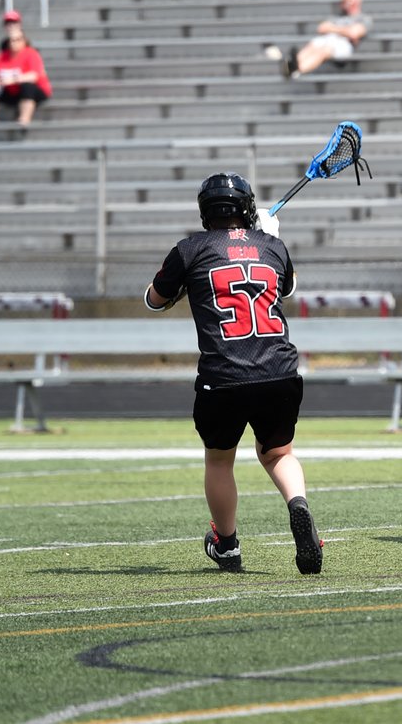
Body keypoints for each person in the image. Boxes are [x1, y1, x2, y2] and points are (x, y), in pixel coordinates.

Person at [144, 173, 323, 575]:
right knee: (278, 453)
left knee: (220, 461)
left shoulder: (190, 249)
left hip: (223, 374)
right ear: (247, 208)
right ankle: (298, 505)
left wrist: (188, 284)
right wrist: (269, 236)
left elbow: (155, 299)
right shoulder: (272, 246)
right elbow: (288, 288)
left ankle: (226, 545)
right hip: (278, 369)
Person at [266, 0, 371, 79]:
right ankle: (293, 64)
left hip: (344, 45)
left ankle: (298, 70)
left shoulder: (363, 18)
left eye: (347, 0)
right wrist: (344, 30)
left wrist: (332, 29)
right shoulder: (337, 16)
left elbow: (354, 33)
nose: (343, 3)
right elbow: (321, 28)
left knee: (324, 50)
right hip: (329, 39)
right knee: (314, 44)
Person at [0, 15, 51, 127]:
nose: (14, 43)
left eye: (18, 39)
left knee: (27, 87)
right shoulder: (3, 55)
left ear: (24, 41)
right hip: (12, 92)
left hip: (33, 91)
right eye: (12, 40)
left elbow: (34, 76)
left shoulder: (31, 53)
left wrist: (13, 80)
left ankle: (23, 120)